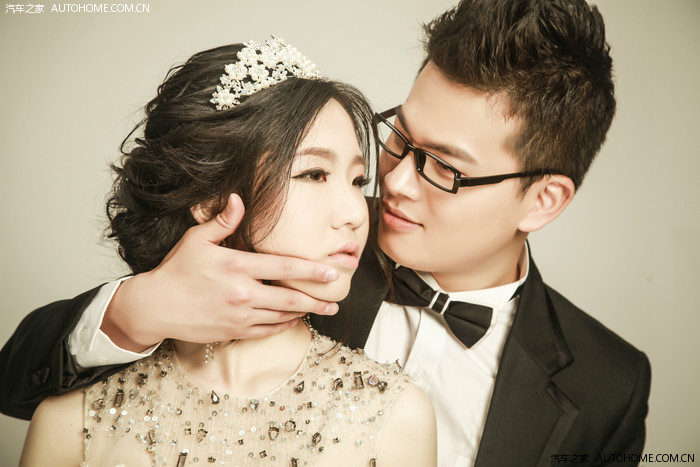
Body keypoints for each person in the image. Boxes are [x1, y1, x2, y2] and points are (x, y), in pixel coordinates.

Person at [1, 0, 651, 465]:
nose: (392, 183)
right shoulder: (289, 243)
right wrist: (133, 308)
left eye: (445, 168)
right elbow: (19, 379)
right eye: (398, 138)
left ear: (542, 200)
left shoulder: (609, 387)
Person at [16, 38, 437, 467]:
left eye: (358, 180)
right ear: (210, 197)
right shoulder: (75, 415)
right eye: (314, 173)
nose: (356, 213)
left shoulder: (393, 416)